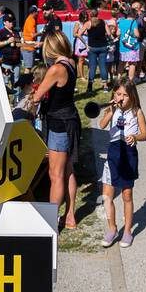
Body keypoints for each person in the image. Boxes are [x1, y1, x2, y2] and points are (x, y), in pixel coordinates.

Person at [32, 32, 81, 230]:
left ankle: (50, 223)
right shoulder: (70, 62)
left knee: (55, 175)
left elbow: (37, 96)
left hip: (59, 123)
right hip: (70, 119)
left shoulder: (56, 68)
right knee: (68, 171)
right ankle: (70, 217)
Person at [99, 78, 146, 248]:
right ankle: (112, 228)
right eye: (118, 94)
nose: (120, 98)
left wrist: (135, 137)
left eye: (125, 95)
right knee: (107, 195)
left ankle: (127, 231)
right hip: (112, 153)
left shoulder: (136, 112)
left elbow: (145, 134)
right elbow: (102, 124)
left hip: (128, 154)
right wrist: (110, 111)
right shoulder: (112, 109)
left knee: (127, 195)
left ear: (132, 97)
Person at [0, 12, 22, 90]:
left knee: (17, 82)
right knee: (5, 83)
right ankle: (6, 101)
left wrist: (21, 42)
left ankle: (17, 100)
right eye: (9, 21)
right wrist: (7, 41)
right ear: (4, 22)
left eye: (12, 21)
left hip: (16, 62)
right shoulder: (1, 32)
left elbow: (19, 44)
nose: (12, 23)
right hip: (6, 62)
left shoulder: (16, 32)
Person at [85, 9, 110, 88]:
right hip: (103, 46)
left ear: (90, 15)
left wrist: (85, 42)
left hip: (92, 47)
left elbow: (78, 34)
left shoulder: (88, 23)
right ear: (97, 14)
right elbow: (109, 33)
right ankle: (105, 86)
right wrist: (103, 33)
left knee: (92, 66)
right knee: (102, 66)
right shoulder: (103, 22)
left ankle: (90, 85)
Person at [117, 7, 142, 81]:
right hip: (132, 47)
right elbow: (137, 34)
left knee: (121, 63)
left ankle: (119, 79)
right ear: (134, 15)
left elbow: (118, 33)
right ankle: (130, 80)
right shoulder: (134, 22)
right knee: (132, 63)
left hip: (123, 46)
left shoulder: (121, 21)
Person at [72, 12, 90, 86]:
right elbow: (74, 34)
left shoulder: (87, 23)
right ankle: (82, 76)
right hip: (80, 43)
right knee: (81, 60)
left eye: (86, 17)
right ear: (81, 17)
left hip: (87, 42)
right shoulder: (77, 23)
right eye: (84, 17)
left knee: (89, 59)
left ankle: (89, 75)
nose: (85, 19)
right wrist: (81, 34)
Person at [21, 4, 39, 71]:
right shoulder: (31, 20)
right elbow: (32, 35)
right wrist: (42, 32)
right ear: (34, 12)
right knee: (28, 68)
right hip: (28, 48)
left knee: (30, 68)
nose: (38, 13)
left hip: (29, 47)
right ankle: (26, 80)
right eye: (37, 12)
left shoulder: (29, 19)